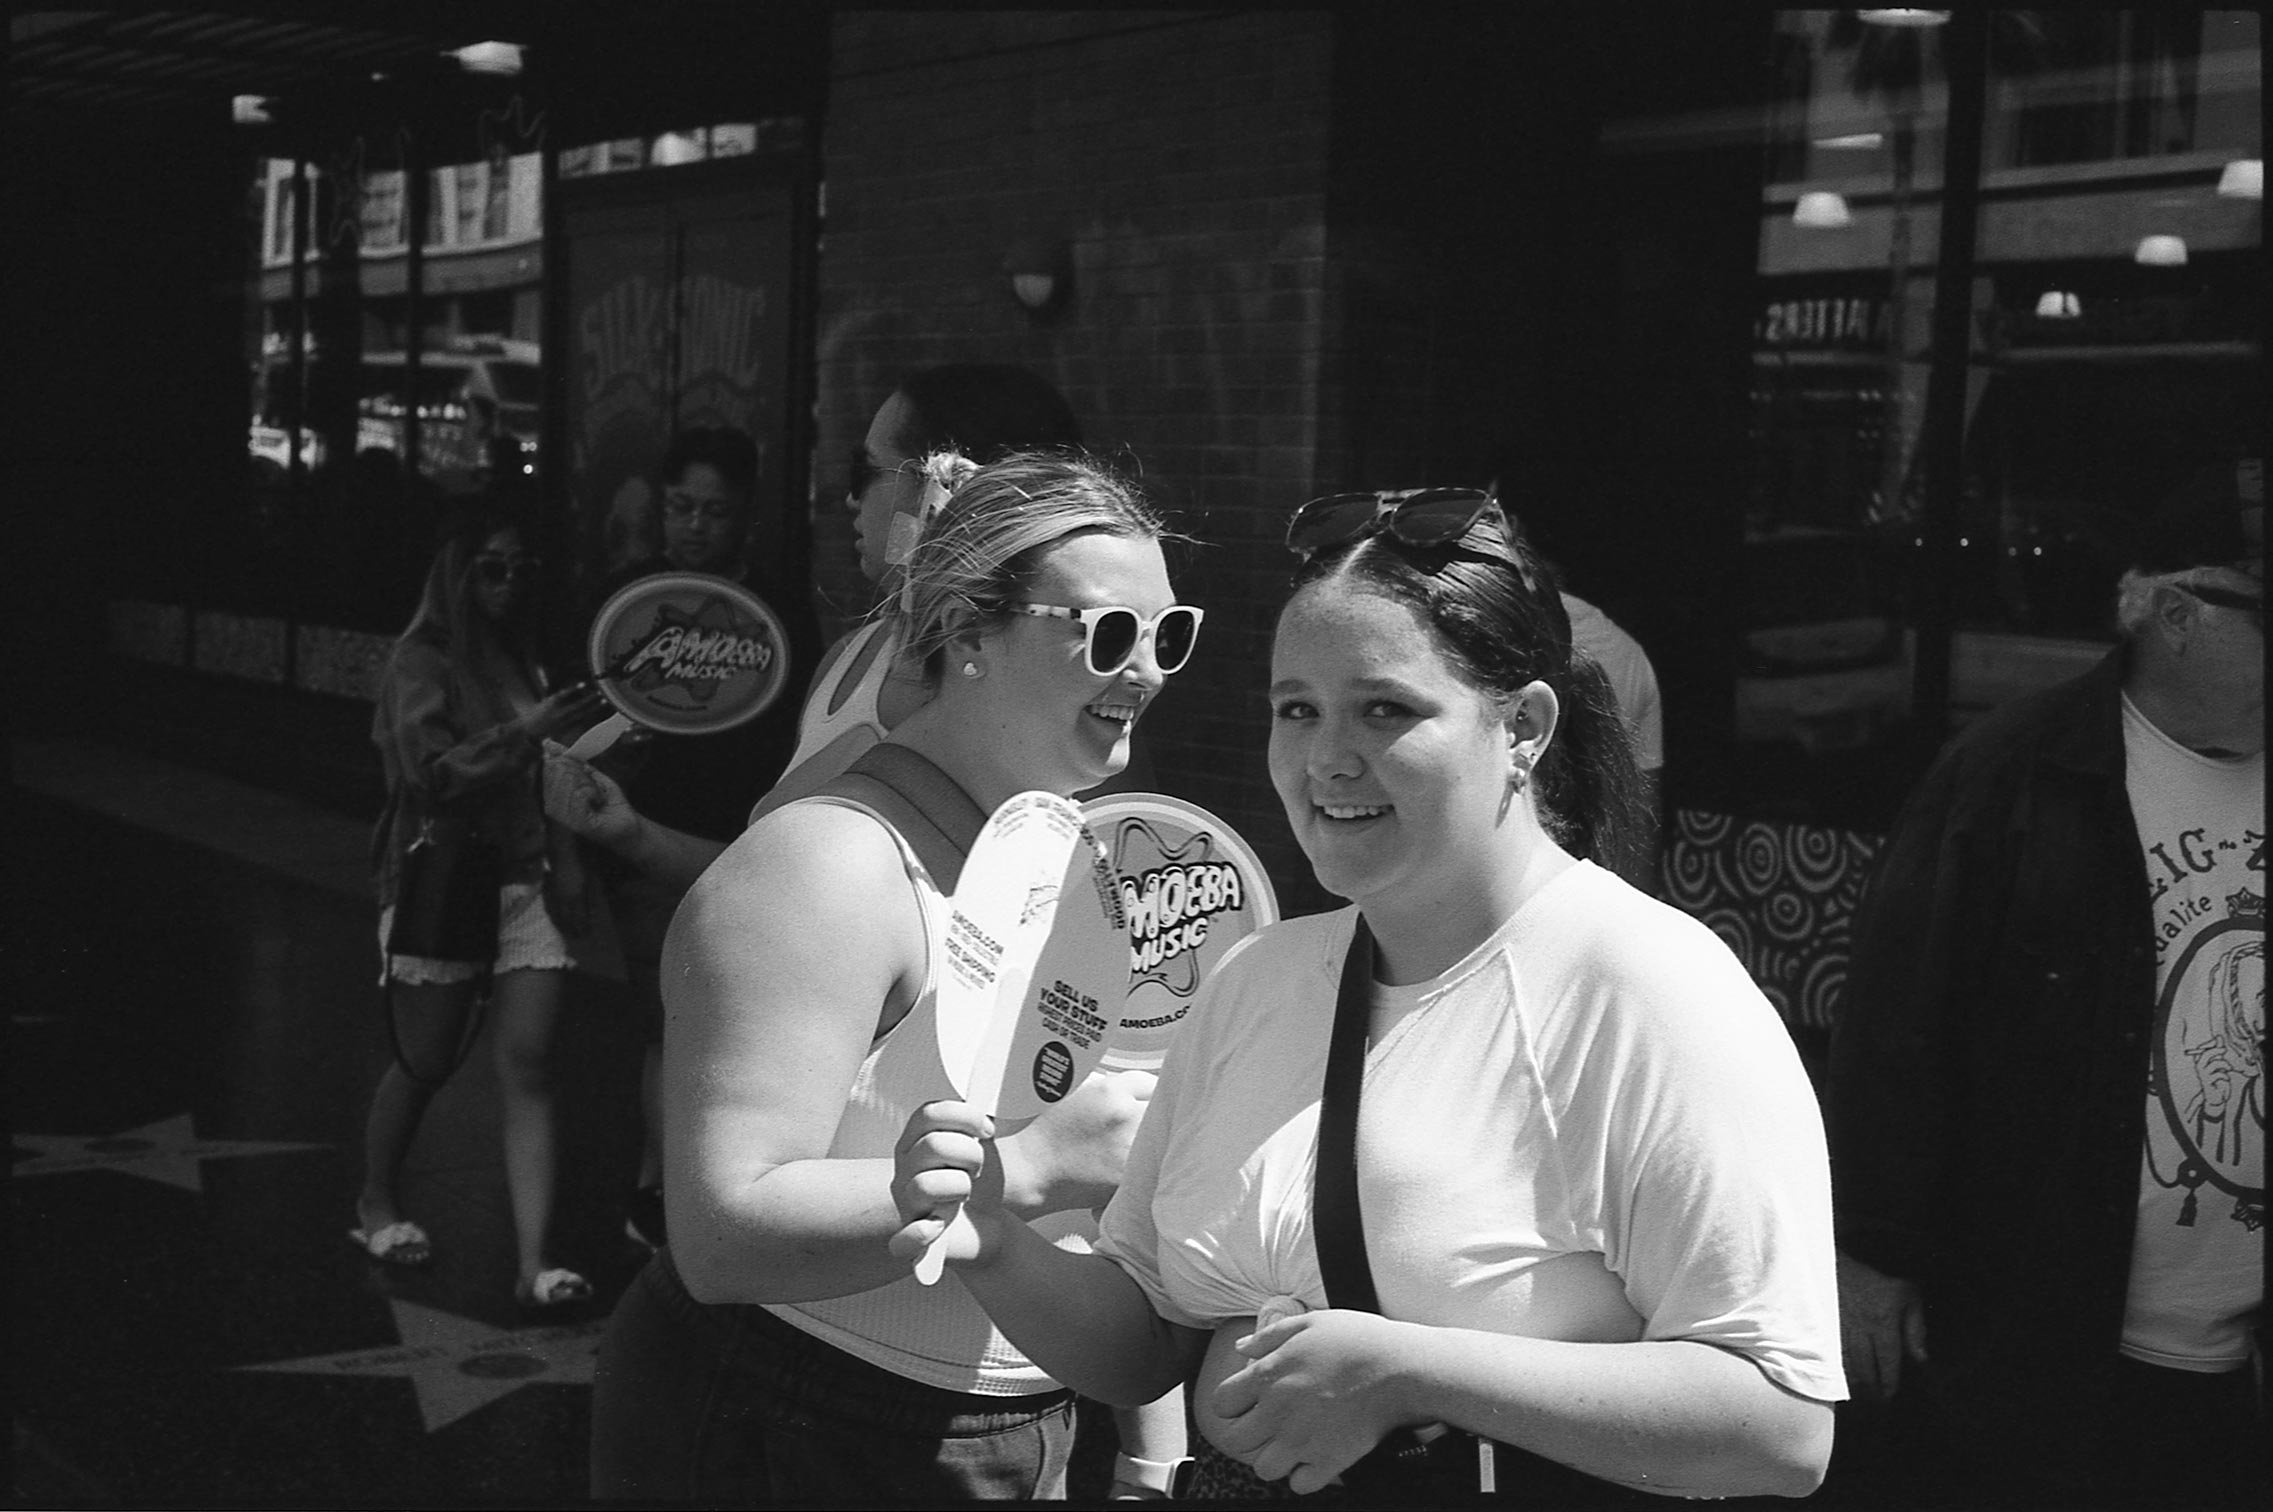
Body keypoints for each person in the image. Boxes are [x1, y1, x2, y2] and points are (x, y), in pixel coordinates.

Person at [892, 486, 1847, 1504]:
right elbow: (1145, 1338)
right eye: (1295, 709)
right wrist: (990, 1238)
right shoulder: (1253, 980)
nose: (1325, 759)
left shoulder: (1653, 989)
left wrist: (1406, 1373)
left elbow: (1777, 1427)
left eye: (1384, 710)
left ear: (1521, 727)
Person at [550, 373, 1186, 1495]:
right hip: (797, 1417)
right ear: (963, 634)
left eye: (1168, 634)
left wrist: (1151, 1446)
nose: (1143, 670)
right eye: (1108, 632)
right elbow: (719, 1230)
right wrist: (1024, 1172)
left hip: (1010, 1430)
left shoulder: (1085, 861)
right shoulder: (833, 865)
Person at [1827, 456, 2265, 1509]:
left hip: (2238, 1374)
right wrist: (1871, 1256)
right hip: (2034, 1348)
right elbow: (1895, 1025)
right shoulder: (2010, 777)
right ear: (2173, 611)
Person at [352, 500, 613, 1308]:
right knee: (426, 1060)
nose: (506, 585)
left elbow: (552, 765)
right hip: (443, 879)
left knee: (529, 1065)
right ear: (456, 576)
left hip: (525, 877)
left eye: (521, 570)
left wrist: (569, 857)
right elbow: (427, 776)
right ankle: (375, 1201)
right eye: (489, 569)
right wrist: (526, 730)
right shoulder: (421, 660)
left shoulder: (522, 654)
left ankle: (535, 1263)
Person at [570, 427, 822, 1252]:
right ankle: (657, 1182)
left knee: (721, 1018)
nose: (696, 526)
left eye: (714, 511)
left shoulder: (780, 613)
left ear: (742, 515)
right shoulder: (623, 605)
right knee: (663, 1016)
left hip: (742, 837)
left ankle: (691, 1181)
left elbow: (801, 735)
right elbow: (574, 730)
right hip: (643, 841)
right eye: (682, 507)